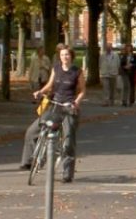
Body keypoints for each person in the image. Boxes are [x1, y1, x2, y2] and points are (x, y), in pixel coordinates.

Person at [20, 45, 86, 183]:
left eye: (67, 55)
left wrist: (76, 102)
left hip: (68, 107)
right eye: (62, 55)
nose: (64, 57)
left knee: (68, 141)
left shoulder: (77, 72)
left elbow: (82, 91)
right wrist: (41, 92)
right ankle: (30, 160)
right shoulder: (56, 68)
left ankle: (68, 174)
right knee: (32, 131)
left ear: (71, 56)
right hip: (54, 104)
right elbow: (50, 85)